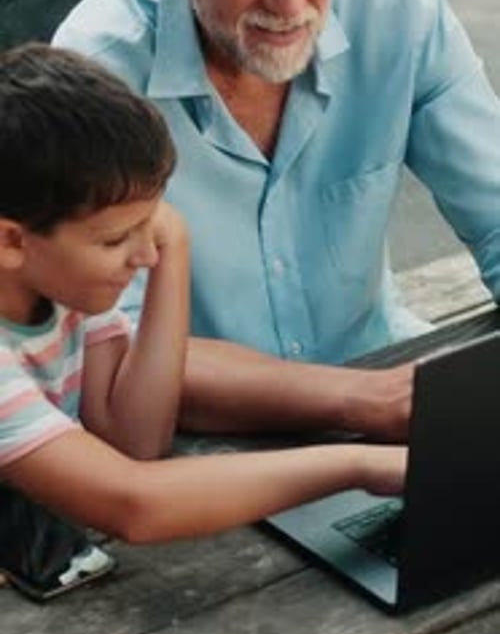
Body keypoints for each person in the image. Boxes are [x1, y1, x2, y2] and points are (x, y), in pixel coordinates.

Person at [54, 0, 500, 434]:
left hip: (383, 390)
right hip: (193, 443)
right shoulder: (98, 73)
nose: (291, 3)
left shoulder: (403, 10)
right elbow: (110, 354)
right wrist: (358, 400)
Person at [0, 42, 406, 598]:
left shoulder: (61, 281)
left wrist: (177, 247)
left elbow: (134, 439)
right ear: (11, 240)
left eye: (152, 225)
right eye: (118, 239)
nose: (144, 255)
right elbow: (135, 502)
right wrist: (359, 464)